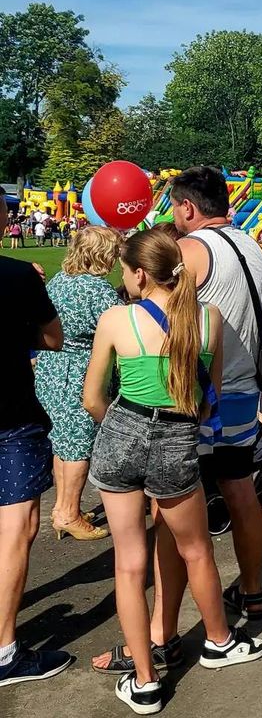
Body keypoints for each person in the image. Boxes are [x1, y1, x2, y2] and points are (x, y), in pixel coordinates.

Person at [82, 227, 262, 712]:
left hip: (122, 434)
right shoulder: (209, 319)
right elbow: (209, 401)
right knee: (196, 550)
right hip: (177, 438)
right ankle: (219, 641)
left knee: (128, 563)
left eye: (124, 272)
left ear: (141, 274)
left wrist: (123, 426)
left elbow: (92, 398)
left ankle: (144, 681)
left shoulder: (116, 320)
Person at [0, 187, 74, 688]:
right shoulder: (17, 276)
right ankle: (5, 651)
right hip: (11, 418)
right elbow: (53, 338)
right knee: (17, 530)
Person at [34, 226, 122, 542]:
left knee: (63, 442)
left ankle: (62, 508)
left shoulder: (60, 280)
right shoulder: (98, 291)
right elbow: (122, 327)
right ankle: (68, 512)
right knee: (78, 446)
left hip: (51, 369)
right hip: (80, 373)